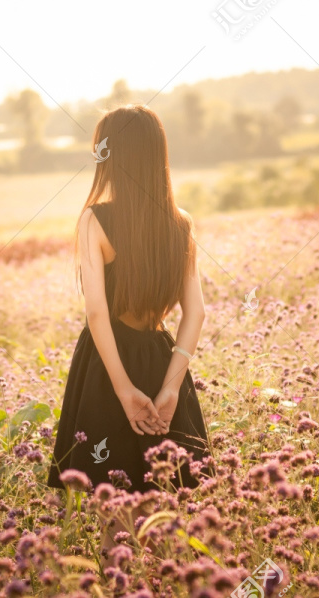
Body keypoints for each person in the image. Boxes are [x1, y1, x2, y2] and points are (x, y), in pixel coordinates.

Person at [46, 105, 213, 558]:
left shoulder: (94, 220)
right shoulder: (181, 223)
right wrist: (171, 389)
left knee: (113, 515)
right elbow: (194, 314)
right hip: (161, 362)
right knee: (166, 508)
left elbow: (97, 314)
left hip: (106, 369)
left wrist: (123, 390)